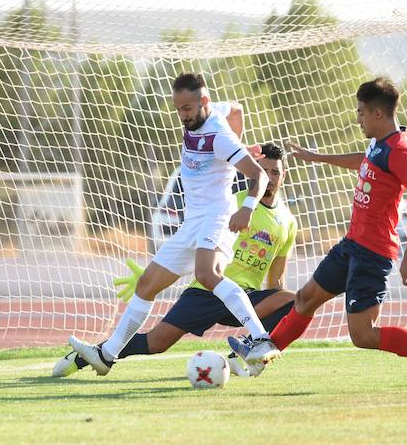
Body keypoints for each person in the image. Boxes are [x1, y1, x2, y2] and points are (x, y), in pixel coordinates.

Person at [229, 77, 407, 390]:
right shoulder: (379, 144)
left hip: (373, 254)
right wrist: (318, 158)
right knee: (304, 300)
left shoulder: (400, 151)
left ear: (378, 115)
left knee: (364, 335)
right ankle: (263, 352)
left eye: (360, 113)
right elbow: (365, 160)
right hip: (351, 246)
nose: (357, 119)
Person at [69, 73, 280, 375]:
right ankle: (107, 355)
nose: (183, 116)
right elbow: (236, 109)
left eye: (187, 109)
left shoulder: (219, 136)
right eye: (178, 108)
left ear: (203, 102)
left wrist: (246, 207)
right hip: (192, 222)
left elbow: (258, 175)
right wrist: (241, 144)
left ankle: (260, 339)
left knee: (208, 273)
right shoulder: (214, 111)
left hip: (215, 217)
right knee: (146, 285)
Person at [53, 143, 297, 378]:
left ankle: (244, 351)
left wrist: (274, 318)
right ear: (253, 172)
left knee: (294, 301)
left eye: (275, 172)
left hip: (243, 299)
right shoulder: (231, 204)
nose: (269, 177)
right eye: (263, 171)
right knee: (156, 342)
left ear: (283, 175)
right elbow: (198, 244)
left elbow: (275, 281)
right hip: (206, 290)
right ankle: (88, 356)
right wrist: (153, 273)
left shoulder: (288, 222)